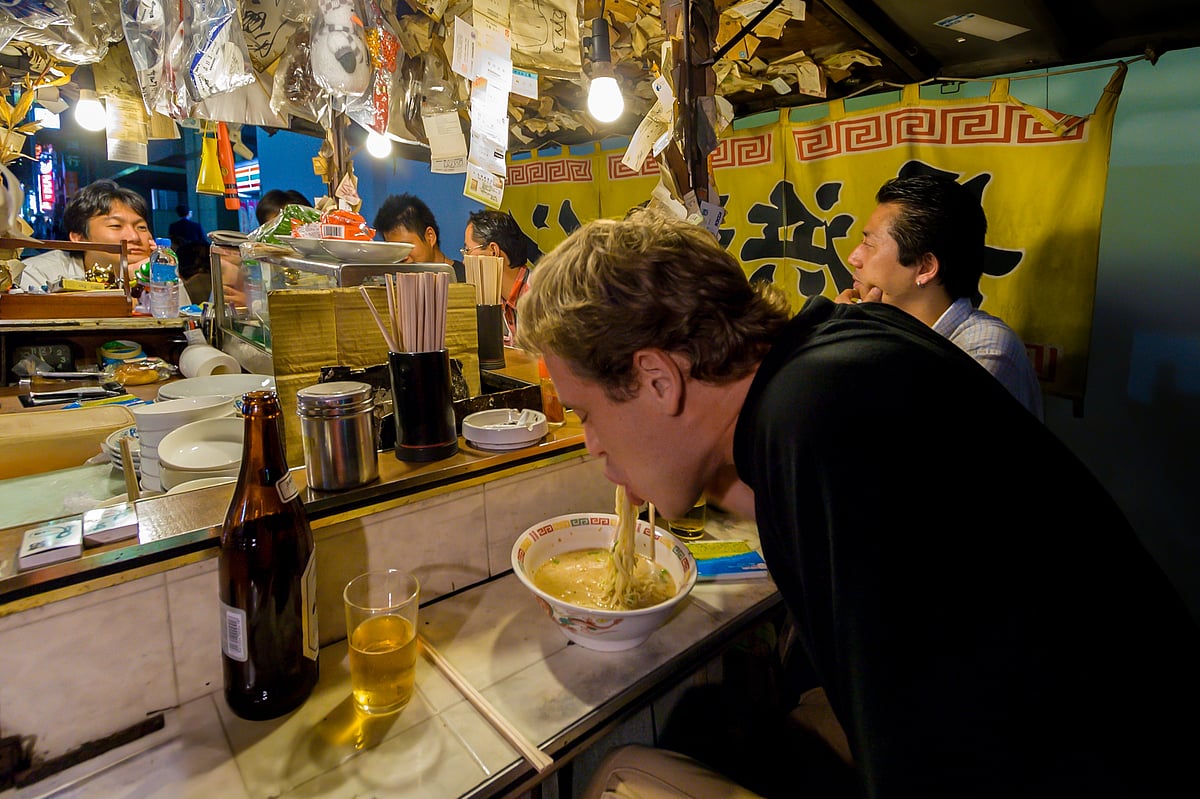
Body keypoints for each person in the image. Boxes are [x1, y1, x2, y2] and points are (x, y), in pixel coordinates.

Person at [516, 213, 1200, 799]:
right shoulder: (827, 361)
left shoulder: (823, 421)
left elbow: (936, 758)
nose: (591, 445)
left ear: (657, 378)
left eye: (586, 414)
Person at [836, 175, 1044, 419]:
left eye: (869, 244)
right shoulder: (890, 329)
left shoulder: (987, 350)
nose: (854, 257)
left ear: (925, 268)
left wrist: (848, 343)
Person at [19, 179, 155, 292]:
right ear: (79, 237)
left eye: (141, 227)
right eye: (116, 226)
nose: (134, 237)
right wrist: (124, 281)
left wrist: (165, 277)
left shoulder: (156, 272)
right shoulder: (38, 273)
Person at [464, 209, 530, 345]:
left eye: (467, 250)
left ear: (493, 251)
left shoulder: (541, 298)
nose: (464, 261)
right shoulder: (495, 300)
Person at [373, 193, 465, 282]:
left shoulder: (468, 280)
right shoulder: (394, 289)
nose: (401, 258)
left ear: (430, 236)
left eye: (405, 247)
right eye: (394, 250)